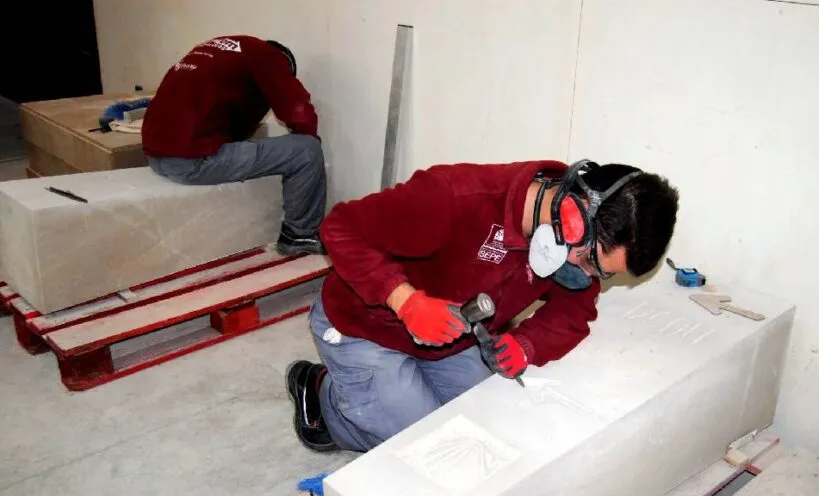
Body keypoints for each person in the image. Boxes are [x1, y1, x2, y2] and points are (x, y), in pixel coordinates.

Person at [286, 159, 680, 452]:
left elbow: (573, 311)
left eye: (602, 274)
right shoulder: (455, 197)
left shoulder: (573, 251)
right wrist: (404, 301)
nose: (587, 275)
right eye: (593, 261)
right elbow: (340, 228)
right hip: (365, 328)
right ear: (572, 217)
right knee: (420, 445)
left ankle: (379, 393)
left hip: (451, 336)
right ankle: (322, 397)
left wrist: (525, 345)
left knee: (483, 427)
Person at [141, 35, 327, 256]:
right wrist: (307, 140)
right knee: (306, 150)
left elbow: (232, 122)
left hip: (155, 155)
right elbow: (296, 109)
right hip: (190, 162)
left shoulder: (223, 50)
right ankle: (299, 234)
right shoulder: (269, 57)